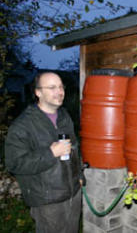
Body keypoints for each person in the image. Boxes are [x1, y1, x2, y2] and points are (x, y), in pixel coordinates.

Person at [5, 72, 84, 233]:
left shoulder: (64, 117)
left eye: (61, 87)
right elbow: (15, 163)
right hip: (47, 201)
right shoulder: (23, 125)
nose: (60, 91)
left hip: (73, 194)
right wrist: (50, 153)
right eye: (52, 87)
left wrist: (80, 177)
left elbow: (74, 149)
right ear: (38, 92)